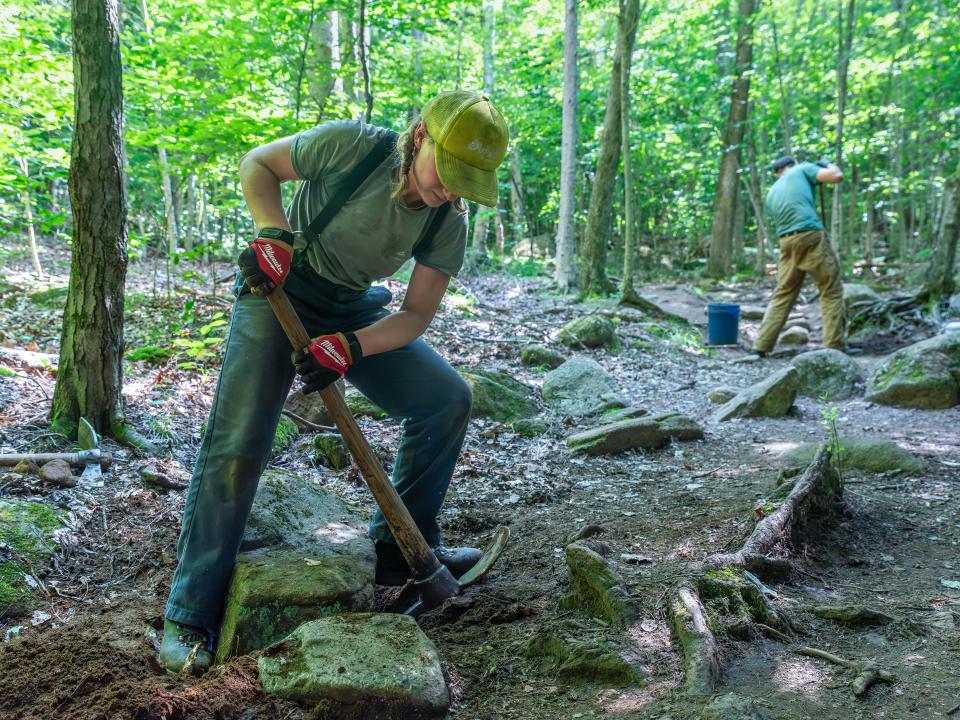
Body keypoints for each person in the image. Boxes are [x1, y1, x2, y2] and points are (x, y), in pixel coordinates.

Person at [159, 91, 509, 674]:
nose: (449, 190)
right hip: (281, 293)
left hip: (353, 313)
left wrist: (350, 347)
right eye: (446, 174)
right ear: (420, 136)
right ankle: (190, 612)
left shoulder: (448, 222)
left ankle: (402, 551)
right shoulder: (354, 146)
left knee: (446, 399)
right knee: (239, 443)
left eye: (464, 183)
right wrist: (273, 234)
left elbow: (415, 316)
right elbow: (258, 164)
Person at [753, 155, 846, 357]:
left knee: (784, 292)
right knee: (830, 289)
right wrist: (828, 164)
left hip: (786, 242)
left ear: (777, 173)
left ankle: (761, 345)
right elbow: (836, 177)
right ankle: (834, 347)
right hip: (810, 235)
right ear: (791, 165)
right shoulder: (802, 169)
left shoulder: (772, 192)